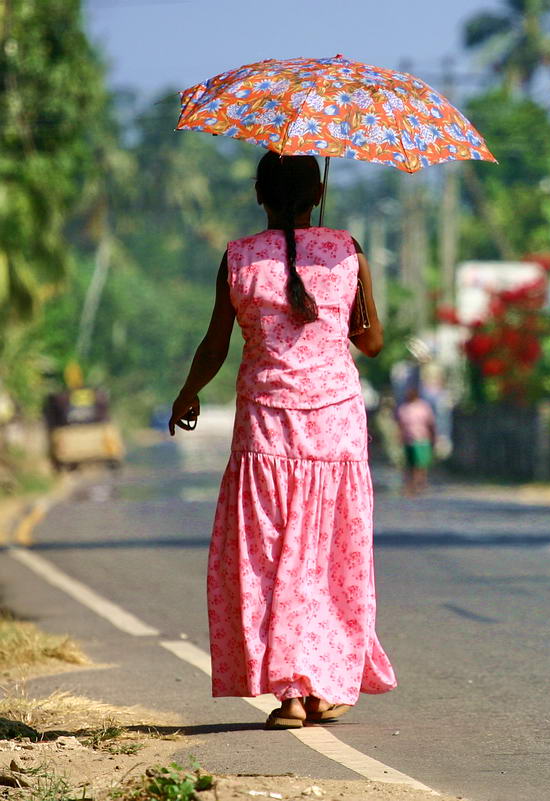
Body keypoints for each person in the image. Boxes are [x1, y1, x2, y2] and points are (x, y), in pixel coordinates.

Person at [169, 153, 396, 729]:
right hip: (335, 429)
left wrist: (188, 394)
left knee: (269, 556)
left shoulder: (238, 257)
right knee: (328, 557)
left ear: (258, 195)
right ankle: (321, 684)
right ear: (318, 192)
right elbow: (371, 343)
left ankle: (289, 694)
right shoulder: (347, 249)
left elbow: (215, 344)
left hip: (264, 430)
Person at [396, 384, 436, 495]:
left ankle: (420, 483)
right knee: (410, 464)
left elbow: (430, 423)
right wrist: (399, 436)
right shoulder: (404, 408)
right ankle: (410, 484)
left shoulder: (423, 407)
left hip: (421, 439)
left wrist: (433, 437)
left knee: (421, 463)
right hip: (408, 439)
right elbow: (400, 424)